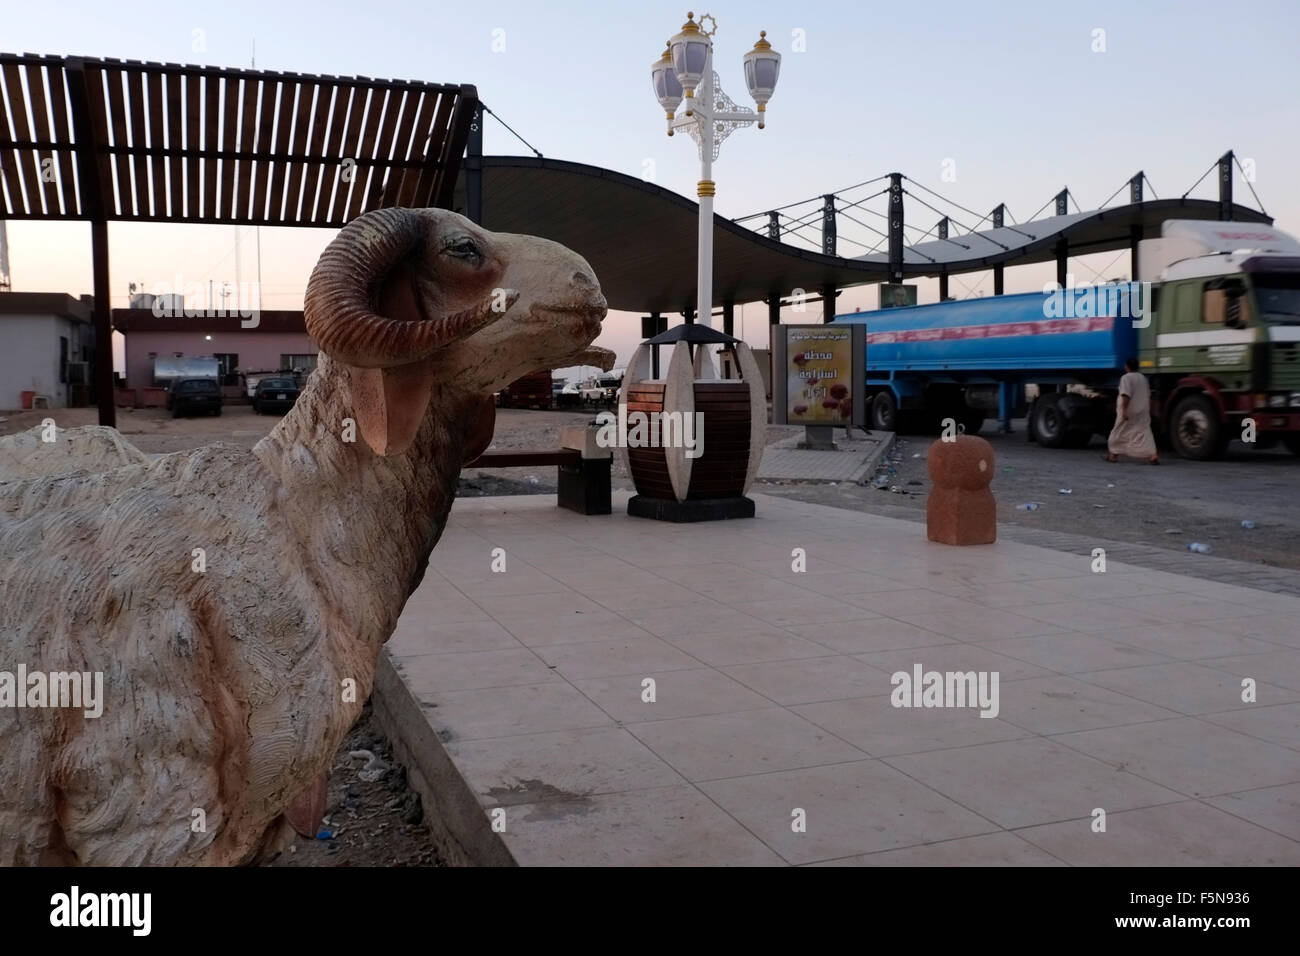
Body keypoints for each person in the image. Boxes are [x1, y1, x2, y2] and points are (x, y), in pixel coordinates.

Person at [1106, 358, 1159, 465]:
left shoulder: (1126, 378)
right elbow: (1148, 395)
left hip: (1130, 410)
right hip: (1142, 410)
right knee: (1144, 432)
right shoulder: (1143, 378)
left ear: (1127, 366)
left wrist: (1124, 410)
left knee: (1119, 431)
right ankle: (1153, 455)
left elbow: (1126, 394)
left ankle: (1113, 455)